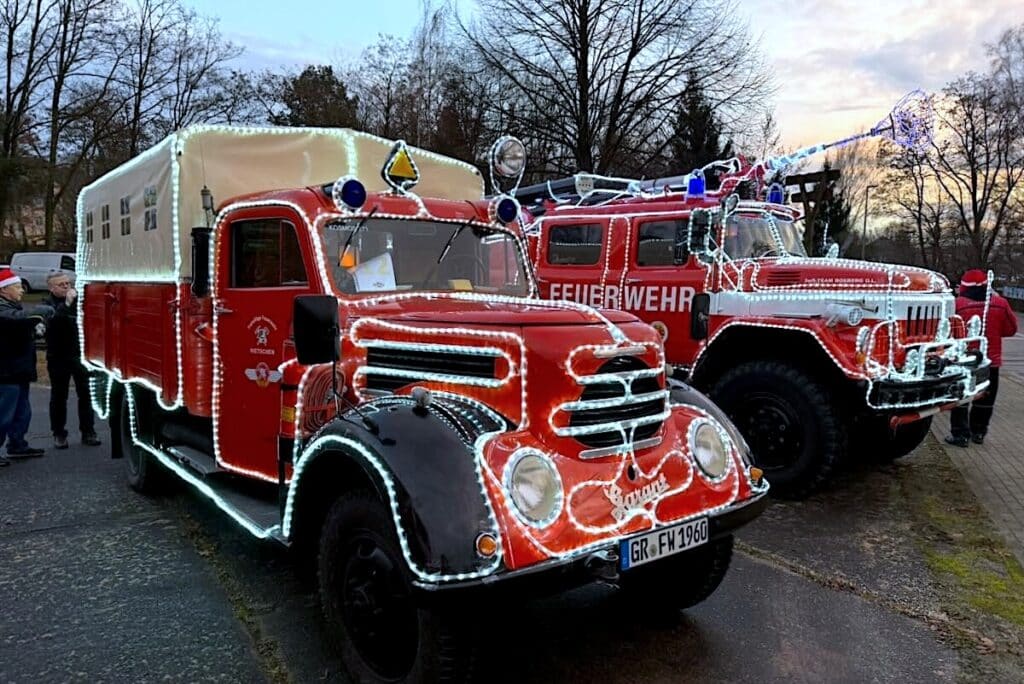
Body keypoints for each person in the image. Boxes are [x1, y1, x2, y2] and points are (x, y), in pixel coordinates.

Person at [945, 269, 1019, 447]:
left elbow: (948, 331)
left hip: (964, 360)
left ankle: (960, 435)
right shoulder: (1000, 303)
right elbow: (1011, 329)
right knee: (986, 398)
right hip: (991, 361)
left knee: (961, 397)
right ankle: (978, 432)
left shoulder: (957, 304)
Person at [0, 268, 54, 464]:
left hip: (19, 370)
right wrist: (41, 311)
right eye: (17, 287)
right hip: (6, 372)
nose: (22, 290)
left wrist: (36, 328)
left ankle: (17, 444)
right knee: (4, 413)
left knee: (22, 412)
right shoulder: (4, 309)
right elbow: (16, 318)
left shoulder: (13, 306)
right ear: (4, 290)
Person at [43, 273, 100, 449]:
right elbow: (53, 324)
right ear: (51, 288)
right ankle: (59, 433)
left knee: (86, 394)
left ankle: (88, 431)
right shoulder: (47, 305)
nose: (66, 287)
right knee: (59, 396)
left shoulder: (79, 302)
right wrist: (66, 304)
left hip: (79, 354)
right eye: (61, 284)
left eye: (68, 283)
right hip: (58, 356)